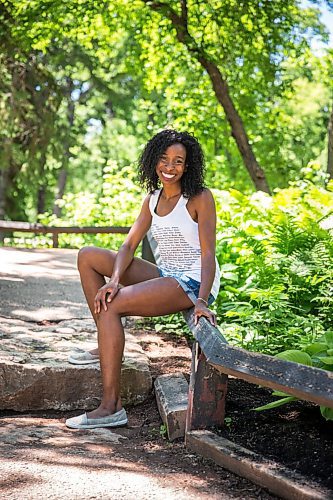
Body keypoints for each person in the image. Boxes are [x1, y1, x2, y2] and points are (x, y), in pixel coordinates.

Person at [65, 129, 220, 430]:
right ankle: (107, 340)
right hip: (166, 274)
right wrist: (115, 279)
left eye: (178, 161)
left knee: (111, 306)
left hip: (191, 282)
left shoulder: (200, 198)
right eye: (164, 159)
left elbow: (207, 254)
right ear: (153, 161)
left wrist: (201, 300)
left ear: (188, 166)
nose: (170, 167)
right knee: (88, 255)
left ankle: (111, 407)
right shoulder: (152, 198)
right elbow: (128, 244)